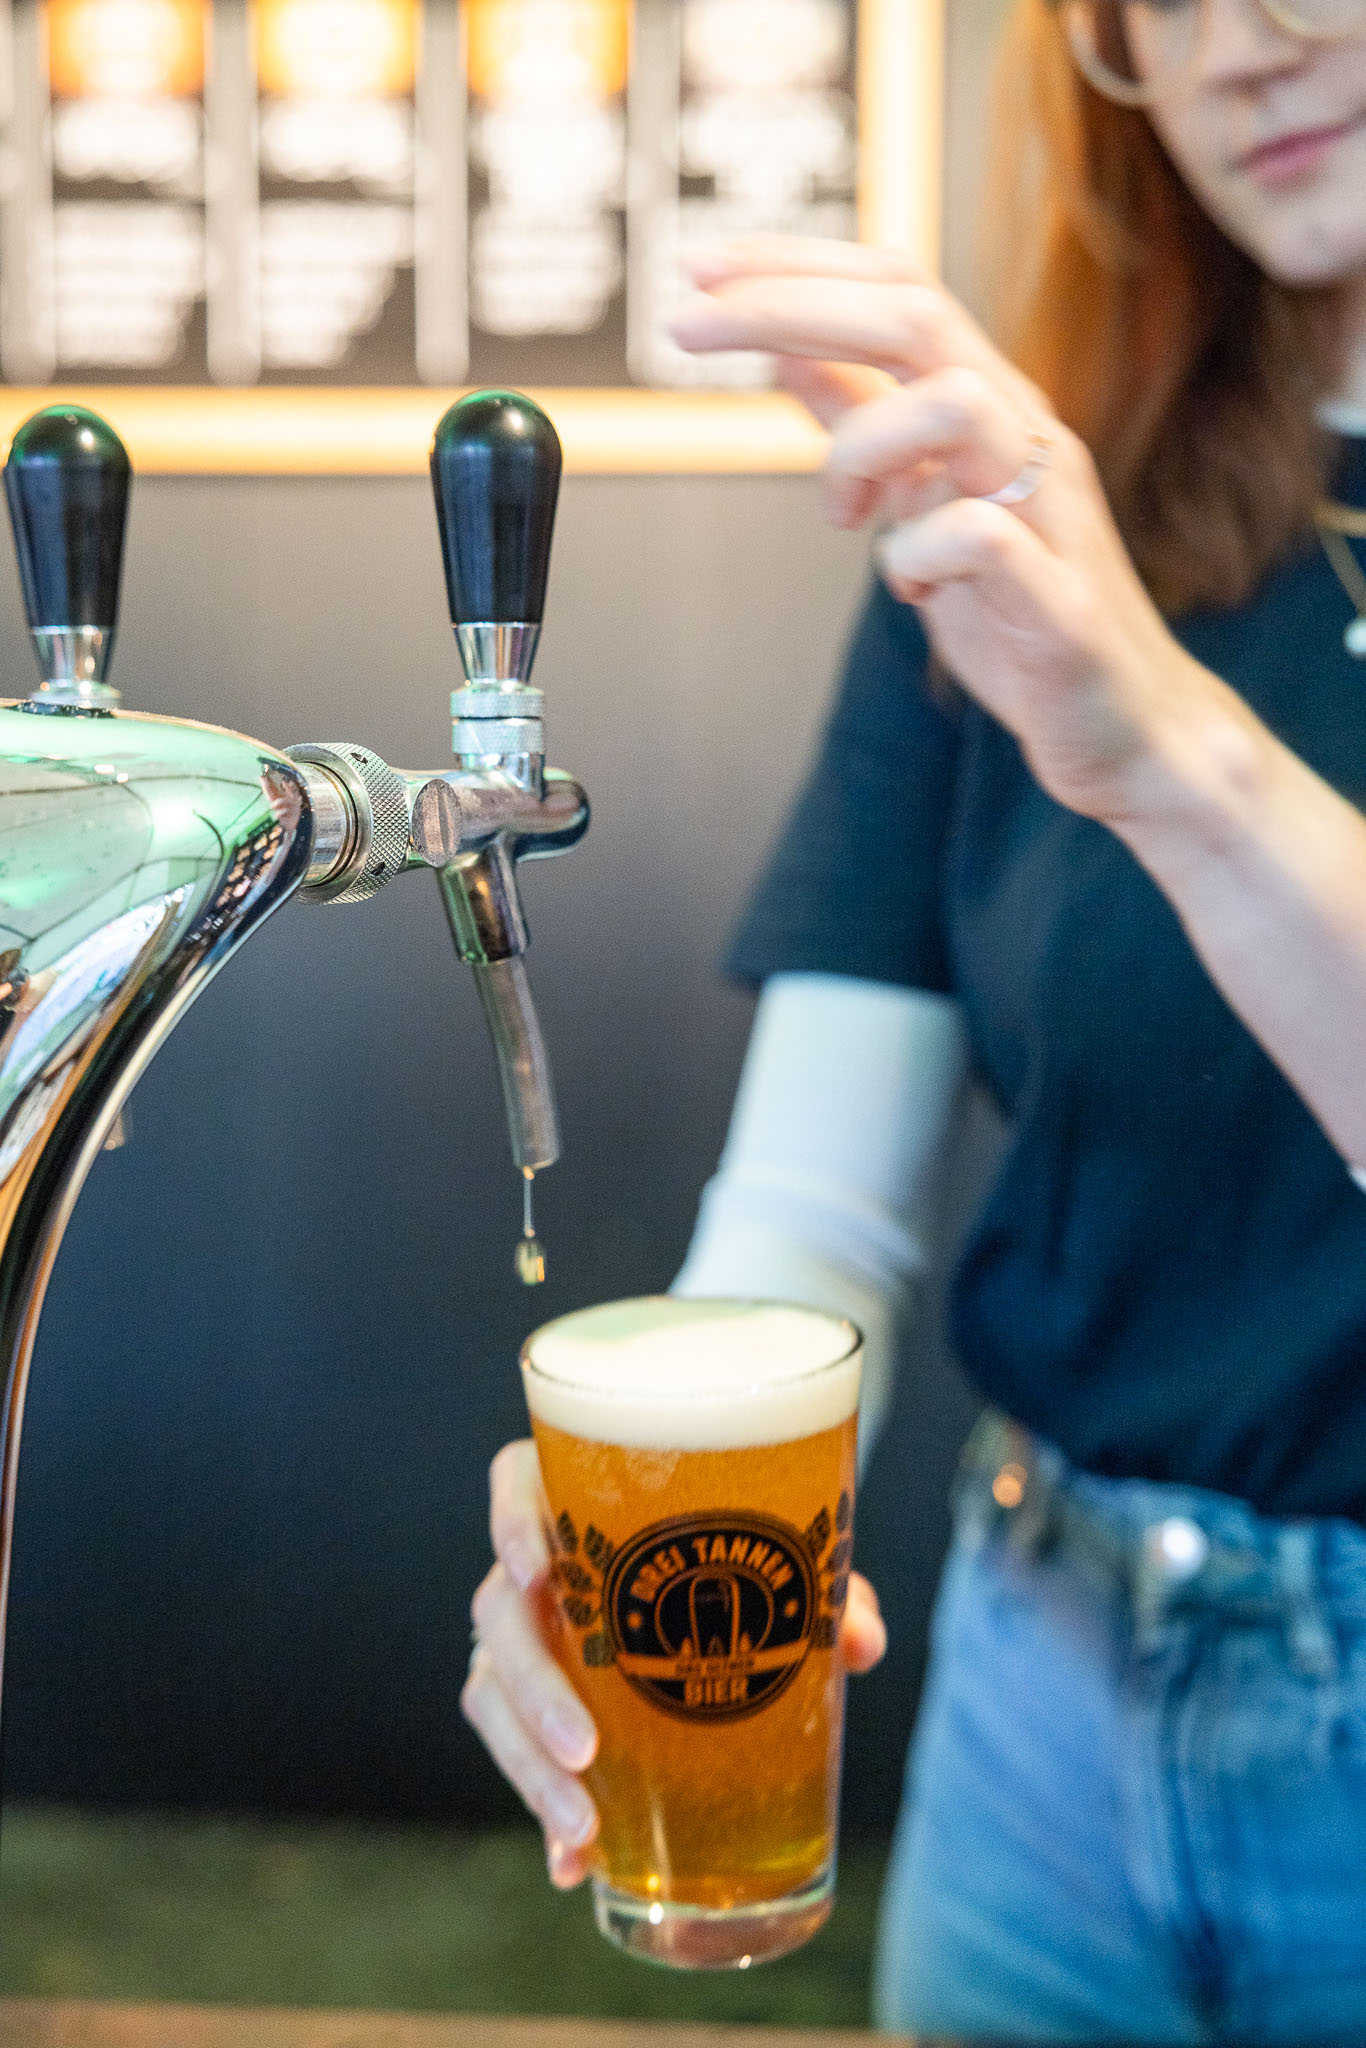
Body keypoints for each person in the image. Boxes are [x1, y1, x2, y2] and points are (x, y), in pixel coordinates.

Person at [461, 0, 1366, 2037]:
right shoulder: (1031, 505)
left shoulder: (1074, 582)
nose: (1231, 52)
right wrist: (661, 1490)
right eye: (1154, 3)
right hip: (1039, 1717)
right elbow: (817, 1216)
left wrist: (1167, 750)